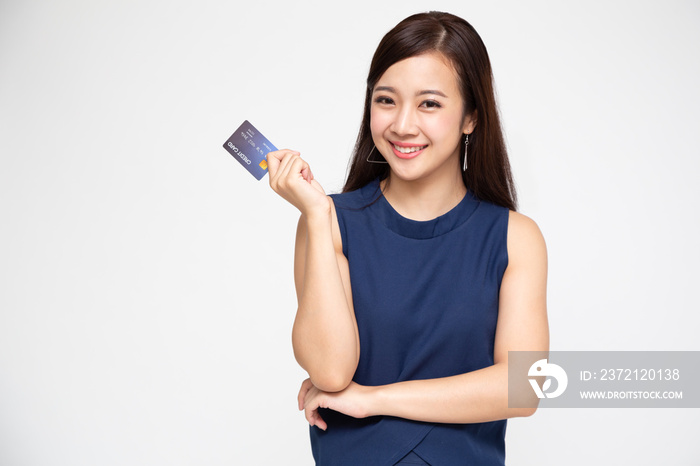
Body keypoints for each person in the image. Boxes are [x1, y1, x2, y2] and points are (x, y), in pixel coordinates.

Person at [266, 11, 548, 466]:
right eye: (386, 100)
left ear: (471, 117)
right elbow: (331, 370)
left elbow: (525, 387)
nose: (402, 125)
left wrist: (375, 399)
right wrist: (318, 214)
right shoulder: (330, 222)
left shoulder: (516, 238)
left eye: (430, 104)